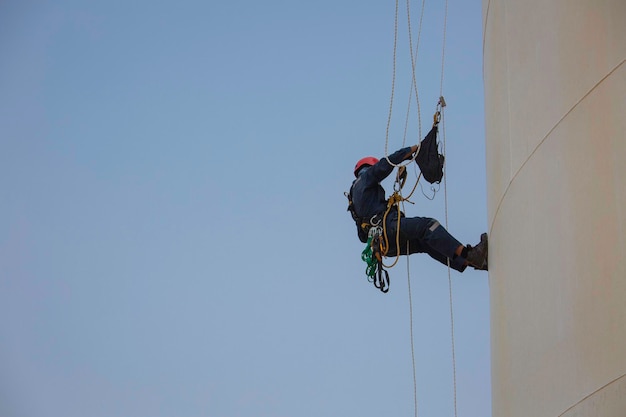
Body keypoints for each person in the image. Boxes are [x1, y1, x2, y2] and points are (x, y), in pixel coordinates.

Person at [348, 144, 488, 272]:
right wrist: (413, 149)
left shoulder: (353, 197)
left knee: (425, 242)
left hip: (385, 247)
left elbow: (362, 236)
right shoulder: (366, 177)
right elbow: (387, 164)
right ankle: (471, 255)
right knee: (428, 226)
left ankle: (470, 263)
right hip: (389, 230)